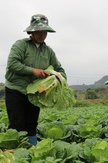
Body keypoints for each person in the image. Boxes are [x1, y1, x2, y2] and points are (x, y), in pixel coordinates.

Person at [5, 14, 66, 145]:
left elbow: (60, 69)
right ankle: (14, 153)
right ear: (32, 31)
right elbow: (12, 64)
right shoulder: (21, 45)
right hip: (16, 90)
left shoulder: (48, 52)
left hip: (34, 93)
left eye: (44, 32)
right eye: (38, 31)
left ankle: (32, 151)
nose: (41, 35)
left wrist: (58, 80)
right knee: (17, 124)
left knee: (31, 124)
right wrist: (33, 71)